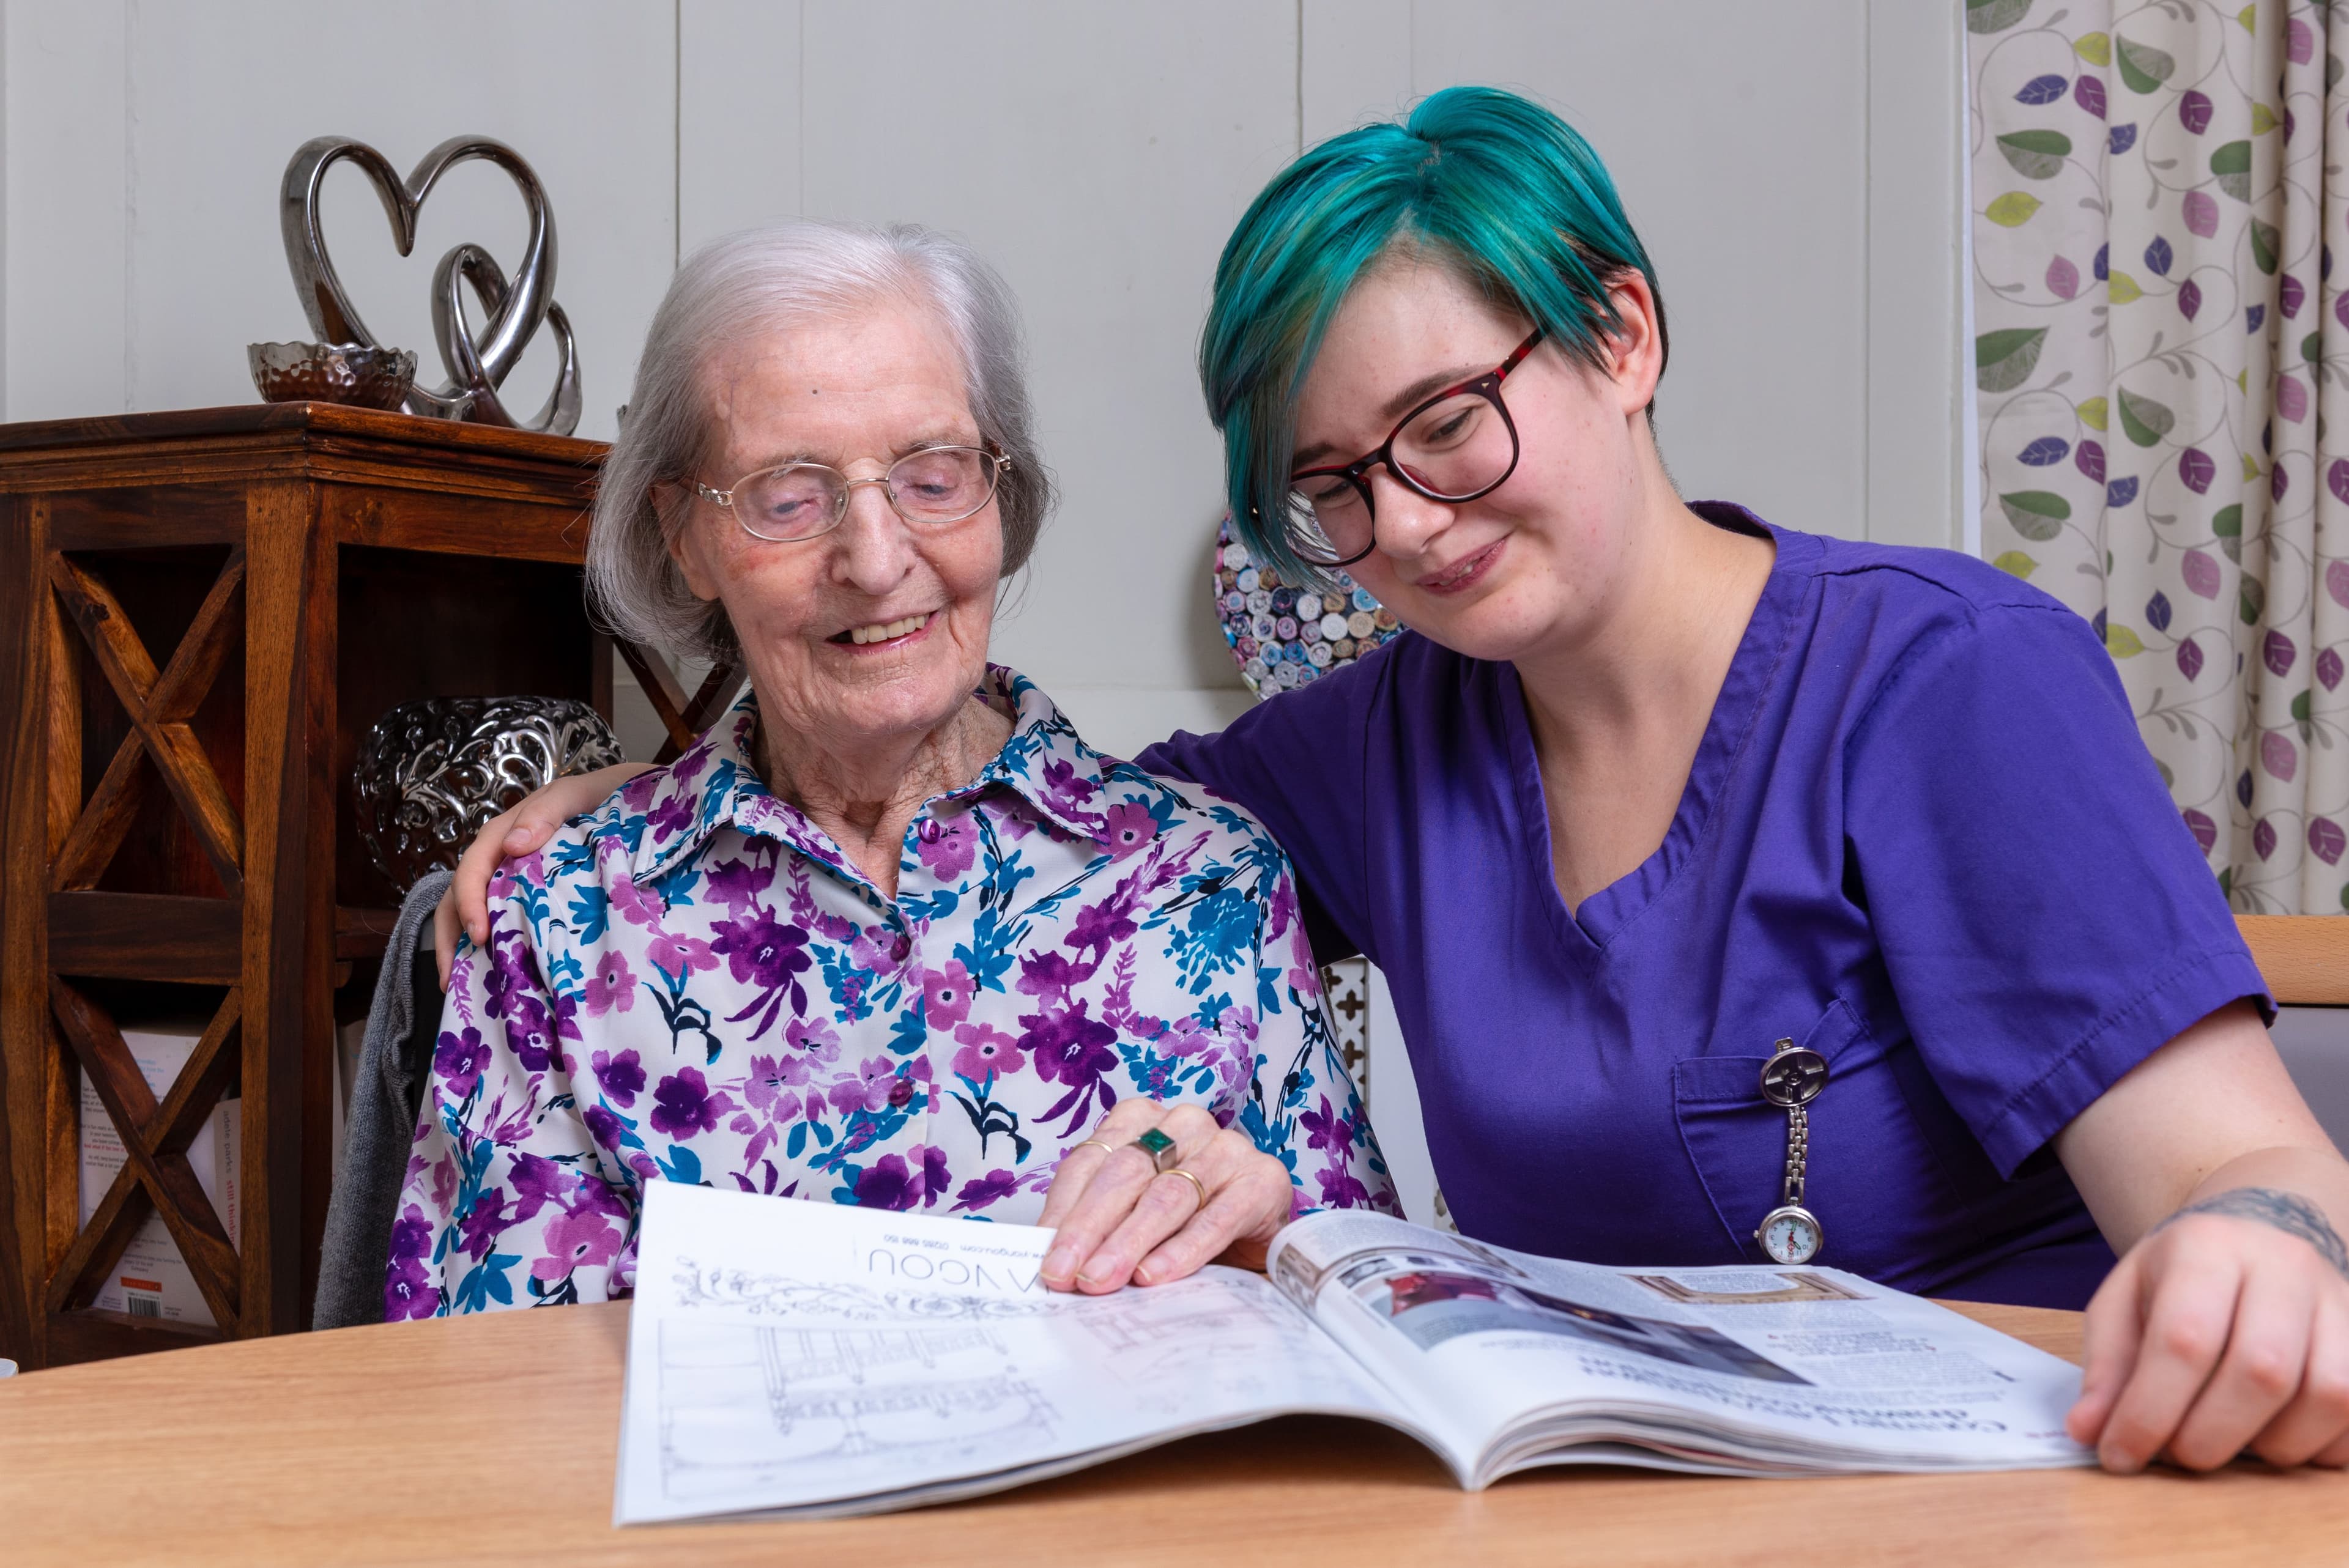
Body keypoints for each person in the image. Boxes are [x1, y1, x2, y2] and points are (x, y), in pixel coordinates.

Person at [443, 90, 2349, 1474]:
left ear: (1623, 334)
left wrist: (2260, 1254)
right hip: (1616, 1509)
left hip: (2037, 1485)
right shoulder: (1377, 742)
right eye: (1337, 487)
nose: (1411, 526)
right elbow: (980, 785)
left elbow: (2252, 1172)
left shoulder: (1947, 678)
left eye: (1447, 425)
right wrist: (631, 787)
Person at [393, 219, 1392, 1323]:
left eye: (933, 475)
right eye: (788, 495)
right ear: (684, 535)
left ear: (998, 496)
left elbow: (1366, 1327)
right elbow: (484, 1407)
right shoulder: (562, 921)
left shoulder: (1207, 881)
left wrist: (1269, 1248)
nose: (875, 560)